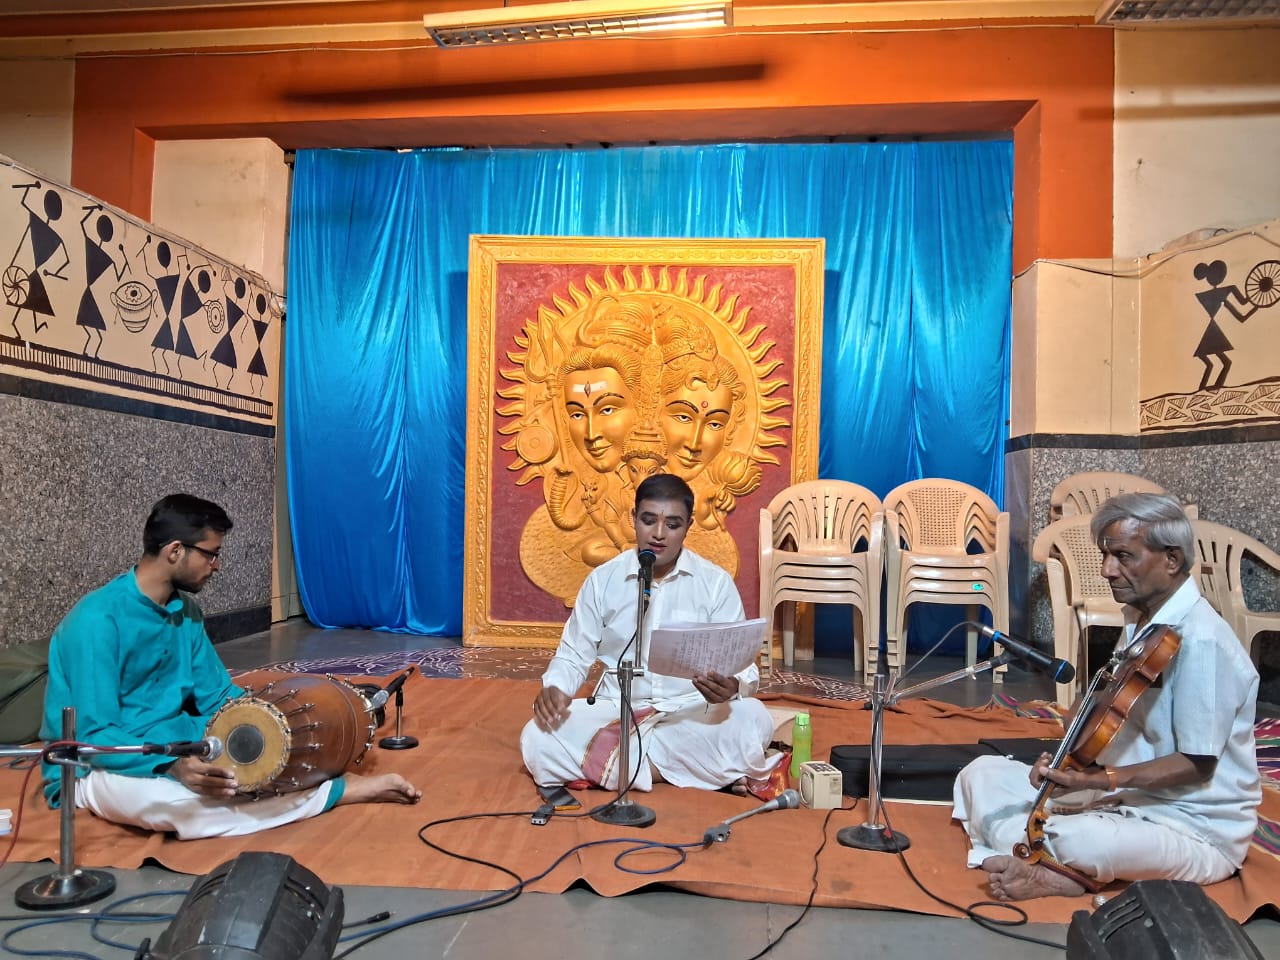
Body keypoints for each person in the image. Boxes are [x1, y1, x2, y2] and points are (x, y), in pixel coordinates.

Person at [41, 494, 419, 840]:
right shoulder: (97, 620)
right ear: (175, 551)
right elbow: (94, 735)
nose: (217, 566)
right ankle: (334, 793)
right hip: (99, 765)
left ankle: (307, 788)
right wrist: (170, 766)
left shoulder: (185, 611)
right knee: (184, 811)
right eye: (211, 554)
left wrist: (274, 721)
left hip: (182, 743)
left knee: (265, 763)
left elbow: (217, 696)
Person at [953, 492, 1260, 899]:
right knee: (980, 773)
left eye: (1123, 556)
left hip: (1190, 827)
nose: (1107, 570)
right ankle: (1042, 856)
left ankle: (1048, 861)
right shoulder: (1141, 620)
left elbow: (1196, 764)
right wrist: (1063, 768)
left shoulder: (1203, 641)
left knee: (1085, 840)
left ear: (1171, 560)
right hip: (1120, 797)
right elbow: (1107, 714)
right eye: (1105, 555)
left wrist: (1099, 779)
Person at [521, 473, 786, 798]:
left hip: (690, 711)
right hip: (617, 710)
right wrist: (557, 687)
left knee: (753, 719)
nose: (659, 534)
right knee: (537, 736)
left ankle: (617, 768)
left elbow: (740, 663)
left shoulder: (714, 582)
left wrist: (733, 686)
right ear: (633, 518)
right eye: (649, 521)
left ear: (688, 526)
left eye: (672, 524)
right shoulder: (603, 580)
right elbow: (574, 653)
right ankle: (703, 772)